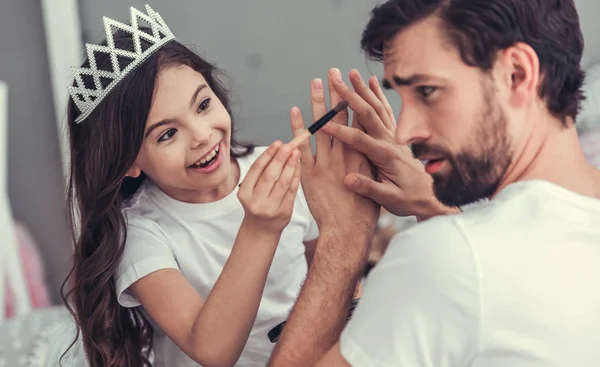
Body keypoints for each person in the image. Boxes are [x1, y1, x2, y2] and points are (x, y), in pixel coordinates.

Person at [268, 0, 600, 366]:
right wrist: (432, 206)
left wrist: (344, 237)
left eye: (427, 91)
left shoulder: (448, 258)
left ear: (517, 74)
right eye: (402, 97)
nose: (406, 131)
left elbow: (470, 274)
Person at [60, 5, 323, 367]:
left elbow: (323, 269)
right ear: (128, 163)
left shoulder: (274, 171)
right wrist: (260, 228)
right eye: (168, 134)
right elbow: (212, 350)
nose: (201, 136)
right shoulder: (140, 234)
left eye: (202, 104)